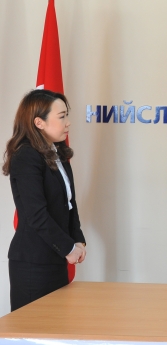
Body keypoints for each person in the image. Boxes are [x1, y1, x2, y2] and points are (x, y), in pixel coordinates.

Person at [2, 89, 86, 311]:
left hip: (56, 259)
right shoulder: (26, 156)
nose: (68, 122)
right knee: (33, 328)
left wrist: (77, 240)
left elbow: (69, 204)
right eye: (62, 117)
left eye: (67, 115)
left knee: (57, 326)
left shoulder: (58, 152)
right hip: (33, 263)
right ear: (39, 122)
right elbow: (36, 214)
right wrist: (68, 247)